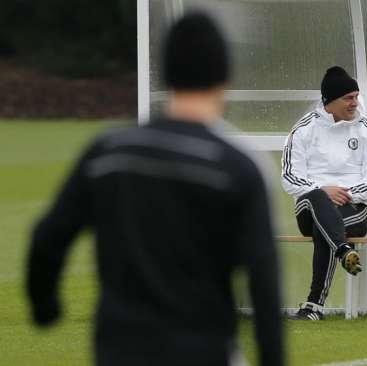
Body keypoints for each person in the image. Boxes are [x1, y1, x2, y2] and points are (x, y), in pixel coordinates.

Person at [26, 12, 283, 366]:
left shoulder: (108, 153)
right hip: (203, 351)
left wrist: (45, 307)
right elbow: (264, 281)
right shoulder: (237, 167)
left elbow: (48, 236)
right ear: (225, 76)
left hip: (118, 351)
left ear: (165, 74)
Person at [281, 66, 367, 320]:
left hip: (354, 210)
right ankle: (343, 250)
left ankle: (313, 307)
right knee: (318, 199)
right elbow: (289, 177)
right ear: (329, 101)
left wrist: (345, 193)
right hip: (309, 209)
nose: (355, 103)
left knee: (326, 226)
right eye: (348, 98)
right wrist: (323, 190)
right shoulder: (303, 130)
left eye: (356, 96)